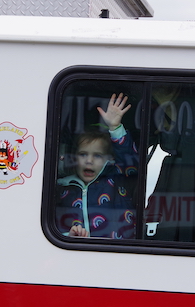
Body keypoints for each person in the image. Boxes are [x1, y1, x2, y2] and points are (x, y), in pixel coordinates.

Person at [56, 93, 138, 238]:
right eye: (83, 154)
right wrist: (69, 236)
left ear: (110, 159)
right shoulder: (64, 189)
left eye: (97, 155)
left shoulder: (116, 178)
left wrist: (115, 127)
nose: (89, 160)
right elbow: (54, 226)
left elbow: (130, 161)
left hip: (118, 254)